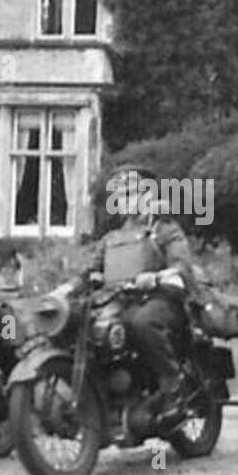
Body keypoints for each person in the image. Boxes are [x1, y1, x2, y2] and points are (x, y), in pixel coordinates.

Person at [85, 165, 196, 432]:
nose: (126, 201)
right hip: (122, 301)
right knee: (90, 327)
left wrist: (157, 277)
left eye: (132, 194)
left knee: (141, 323)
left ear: (148, 194)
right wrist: (70, 289)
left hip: (162, 301)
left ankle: (172, 384)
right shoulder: (113, 237)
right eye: (121, 195)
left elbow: (183, 267)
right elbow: (90, 269)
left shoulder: (165, 229)